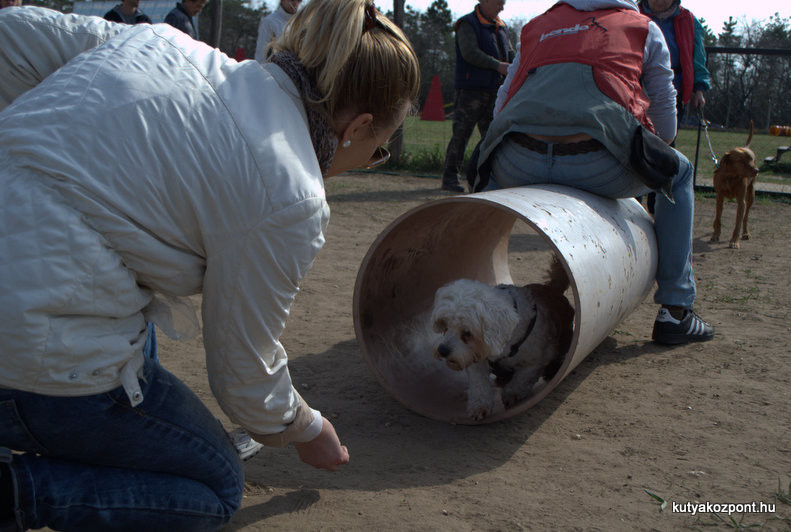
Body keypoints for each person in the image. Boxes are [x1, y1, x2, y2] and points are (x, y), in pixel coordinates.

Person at [0, 0, 419, 530]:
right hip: (28, 353)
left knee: (137, 325)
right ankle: (16, 492)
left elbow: (10, 34)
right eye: (378, 149)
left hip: (36, 298)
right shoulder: (292, 194)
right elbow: (243, 372)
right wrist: (305, 427)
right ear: (357, 127)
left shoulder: (160, 44)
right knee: (216, 486)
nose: (369, 159)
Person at [475, 0, 715, 346]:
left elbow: (502, 104)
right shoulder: (642, 26)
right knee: (679, 172)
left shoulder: (536, 26)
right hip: (598, 162)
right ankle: (676, 311)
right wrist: (651, 152)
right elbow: (664, 113)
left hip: (518, 161)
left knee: (487, 172)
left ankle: (467, 280)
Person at [441, 0, 513, 193]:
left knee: (493, 137)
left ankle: (491, 178)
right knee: (461, 136)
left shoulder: (502, 26)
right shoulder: (467, 24)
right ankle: (449, 178)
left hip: (495, 91)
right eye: (499, 2)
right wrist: (498, 66)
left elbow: (509, 55)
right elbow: (470, 53)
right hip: (470, 91)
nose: (502, 7)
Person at [639, 0, 710, 127]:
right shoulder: (633, 14)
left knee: (667, 137)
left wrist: (699, 89)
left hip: (675, 89)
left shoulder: (688, 20)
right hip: (639, 87)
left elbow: (698, 58)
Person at [255, 0, 301, 64]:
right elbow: (261, 55)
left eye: (299, 0)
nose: (295, 3)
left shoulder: (301, 24)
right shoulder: (269, 21)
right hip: (274, 70)